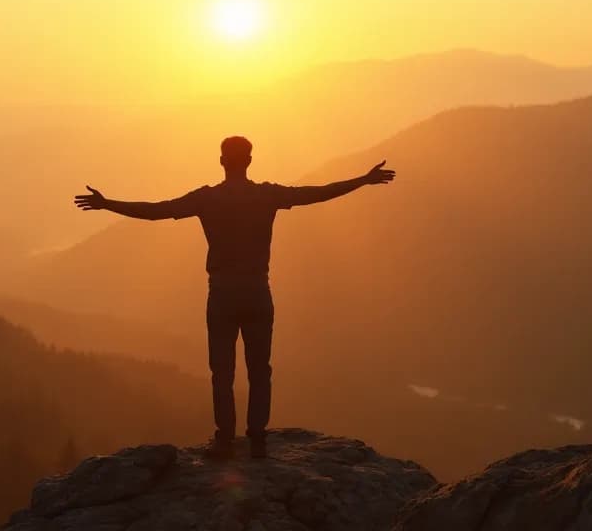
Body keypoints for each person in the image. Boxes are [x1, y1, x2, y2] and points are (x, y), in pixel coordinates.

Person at [73, 136, 395, 460]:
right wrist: (363, 180)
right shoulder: (267, 195)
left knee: (222, 371)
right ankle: (257, 439)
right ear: (250, 161)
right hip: (257, 291)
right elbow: (316, 194)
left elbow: (157, 212)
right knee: (259, 369)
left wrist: (107, 203)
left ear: (222, 161)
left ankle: (225, 439)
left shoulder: (207, 199)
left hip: (222, 293)